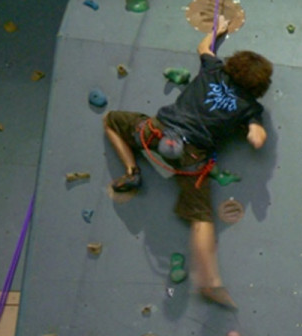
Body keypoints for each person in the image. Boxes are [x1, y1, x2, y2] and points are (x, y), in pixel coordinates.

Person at [102, 16, 272, 308]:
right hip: (192, 156)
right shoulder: (251, 108)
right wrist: (256, 132)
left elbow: (203, 47)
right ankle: (209, 282)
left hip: (158, 132)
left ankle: (132, 170)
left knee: (112, 121)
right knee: (201, 217)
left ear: (234, 67)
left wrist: (216, 31)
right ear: (260, 86)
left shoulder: (214, 69)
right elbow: (257, 136)